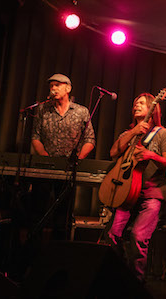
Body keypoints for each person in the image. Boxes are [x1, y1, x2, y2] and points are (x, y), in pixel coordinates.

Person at [107, 92, 166, 282]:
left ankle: (137, 282)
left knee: (138, 236)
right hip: (127, 193)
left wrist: (151, 155)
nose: (137, 105)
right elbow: (113, 152)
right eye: (135, 103)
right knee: (112, 234)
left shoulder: (164, 133)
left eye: (142, 103)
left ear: (153, 110)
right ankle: (116, 276)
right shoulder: (128, 133)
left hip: (152, 192)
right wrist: (133, 132)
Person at [30, 73, 96, 239]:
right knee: (38, 211)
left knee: (62, 216)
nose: (53, 89)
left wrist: (78, 159)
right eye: (51, 86)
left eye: (57, 85)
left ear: (68, 88)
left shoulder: (81, 111)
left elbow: (90, 139)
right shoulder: (42, 109)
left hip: (68, 169)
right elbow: (35, 137)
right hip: (45, 168)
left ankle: (59, 249)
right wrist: (45, 157)